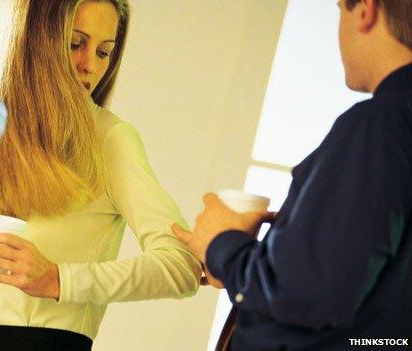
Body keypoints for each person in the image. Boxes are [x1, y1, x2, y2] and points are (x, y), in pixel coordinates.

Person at [0, 0, 201, 350]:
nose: (90, 66)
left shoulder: (110, 139)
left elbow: (183, 265)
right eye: (75, 43)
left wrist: (60, 279)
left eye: (104, 52)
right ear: (33, 39)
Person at [172, 0, 412, 350]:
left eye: (339, 10)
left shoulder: (380, 126)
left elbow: (309, 292)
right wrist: (275, 251)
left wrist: (222, 244)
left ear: (366, 11)